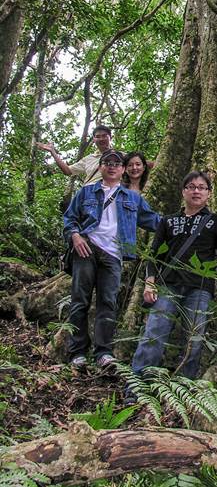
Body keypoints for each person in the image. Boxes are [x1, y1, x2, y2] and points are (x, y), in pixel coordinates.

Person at [128, 171, 217, 388]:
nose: (196, 191)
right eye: (191, 187)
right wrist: (150, 281)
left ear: (208, 193)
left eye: (202, 187)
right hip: (167, 286)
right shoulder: (168, 221)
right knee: (154, 334)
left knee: (194, 340)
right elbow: (154, 254)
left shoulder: (215, 222)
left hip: (200, 288)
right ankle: (138, 387)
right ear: (183, 191)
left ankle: (184, 388)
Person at [63, 149, 160, 370]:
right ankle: (77, 353)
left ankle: (103, 353)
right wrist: (76, 236)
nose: (112, 166)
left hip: (114, 255)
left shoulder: (132, 197)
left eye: (117, 163)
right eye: (107, 162)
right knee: (80, 301)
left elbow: (154, 221)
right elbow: (69, 218)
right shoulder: (86, 192)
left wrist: (183, 220)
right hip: (86, 249)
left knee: (108, 303)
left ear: (123, 169)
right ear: (100, 167)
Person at [38, 124, 115, 186]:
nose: (101, 139)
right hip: (91, 195)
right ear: (94, 140)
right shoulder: (88, 159)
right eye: (98, 137)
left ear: (110, 137)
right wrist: (52, 152)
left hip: (114, 195)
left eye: (104, 136)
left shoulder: (122, 156)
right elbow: (67, 171)